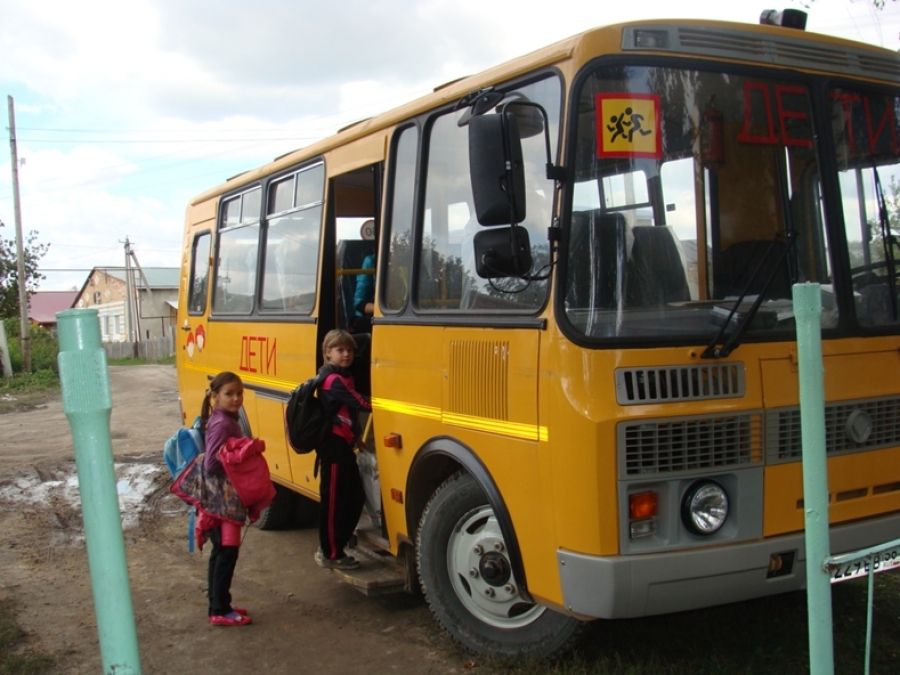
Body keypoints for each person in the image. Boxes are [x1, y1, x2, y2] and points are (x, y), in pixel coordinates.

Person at [198, 371, 252, 627]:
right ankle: (219, 609)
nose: (236, 399)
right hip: (222, 501)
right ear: (215, 397)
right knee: (226, 552)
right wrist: (238, 458)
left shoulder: (226, 418)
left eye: (239, 393)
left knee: (221, 552)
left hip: (222, 500)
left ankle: (220, 604)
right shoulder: (222, 423)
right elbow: (211, 464)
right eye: (229, 394)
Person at [314, 329, 371, 570]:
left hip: (345, 444)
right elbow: (360, 403)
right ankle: (332, 553)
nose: (346, 354)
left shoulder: (344, 376)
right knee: (334, 501)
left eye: (349, 350)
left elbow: (351, 414)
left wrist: (357, 437)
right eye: (340, 350)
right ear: (327, 353)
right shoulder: (333, 380)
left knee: (355, 496)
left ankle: (340, 542)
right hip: (333, 446)